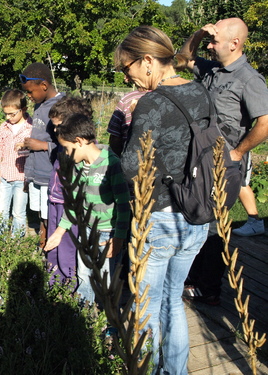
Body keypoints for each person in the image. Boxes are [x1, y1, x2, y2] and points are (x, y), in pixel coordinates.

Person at [116, 26, 211, 374]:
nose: (128, 78)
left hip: (158, 216)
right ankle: (177, 371)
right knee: (172, 302)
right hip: (197, 213)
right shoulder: (201, 92)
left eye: (128, 69)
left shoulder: (151, 102)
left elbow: (130, 167)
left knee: (146, 305)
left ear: (147, 61)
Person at [179, 18, 268, 306]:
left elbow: (265, 123)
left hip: (224, 163)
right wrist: (198, 32)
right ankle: (192, 279)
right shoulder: (211, 68)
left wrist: (239, 153)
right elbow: (183, 59)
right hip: (199, 158)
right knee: (194, 216)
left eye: (214, 41)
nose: (209, 44)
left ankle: (209, 289)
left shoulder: (249, 79)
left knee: (215, 226)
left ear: (235, 44)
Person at [44, 114, 130, 304]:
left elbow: (123, 205)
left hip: (108, 234)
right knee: (85, 275)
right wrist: (60, 231)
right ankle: (85, 316)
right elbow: (75, 202)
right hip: (87, 230)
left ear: (80, 141)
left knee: (107, 281)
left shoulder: (112, 164)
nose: (66, 153)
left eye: (67, 148)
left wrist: (119, 238)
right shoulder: (80, 165)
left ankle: (110, 324)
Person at [45, 96, 93, 289]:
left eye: (59, 126)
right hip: (55, 201)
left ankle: (69, 289)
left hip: (70, 208)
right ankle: (53, 284)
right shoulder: (64, 146)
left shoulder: (81, 151)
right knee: (53, 246)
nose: (56, 131)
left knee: (67, 250)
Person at [20, 62, 65, 248]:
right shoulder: (41, 104)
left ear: (44, 86)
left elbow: (65, 144)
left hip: (49, 172)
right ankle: (42, 240)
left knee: (50, 213)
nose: (29, 97)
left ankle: (50, 246)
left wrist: (42, 145)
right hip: (36, 171)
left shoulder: (60, 108)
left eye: (30, 92)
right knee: (40, 211)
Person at [0, 89, 32, 236]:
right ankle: (0, 238)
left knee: (19, 212)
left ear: (23, 109)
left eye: (12, 114)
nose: (9, 117)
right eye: (6, 114)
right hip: (4, 175)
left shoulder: (31, 127)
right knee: (1, 210)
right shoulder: (4, 126)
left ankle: (17, 242)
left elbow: (34, 151)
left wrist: (25, 147)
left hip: (21, 177)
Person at [107, 89, 147, 157]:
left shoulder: (128, 99)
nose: (126, 79)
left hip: (132, 159)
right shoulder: (127, 99)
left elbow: (115, 138)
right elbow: (115, 136)